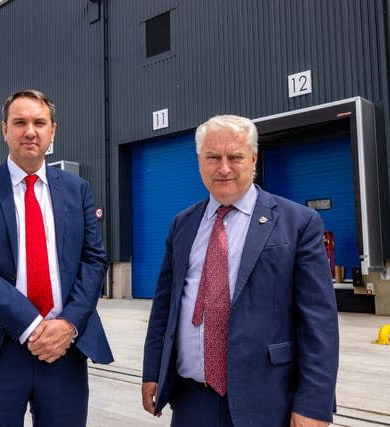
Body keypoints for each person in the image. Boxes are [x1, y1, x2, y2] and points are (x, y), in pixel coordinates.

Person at [141, 115, 339, 426]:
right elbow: (165, 308)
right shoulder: (183, 224)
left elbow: (319, 322)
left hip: (268, 401)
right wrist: (153, 371)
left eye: (235, 157)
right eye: (213, 157)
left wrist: (314, 404)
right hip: (192, 400)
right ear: (199, 161)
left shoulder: (297, 223)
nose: (224, 168)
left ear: (253, 159)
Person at [0, 89, 113, 426]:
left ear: (53, 131)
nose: (29, 131)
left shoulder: (77, 190)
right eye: (19, 122)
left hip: (64, 348)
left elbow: (93, 260)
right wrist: (33, 326)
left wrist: (67, 325)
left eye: (39, 122)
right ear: (4, 130)